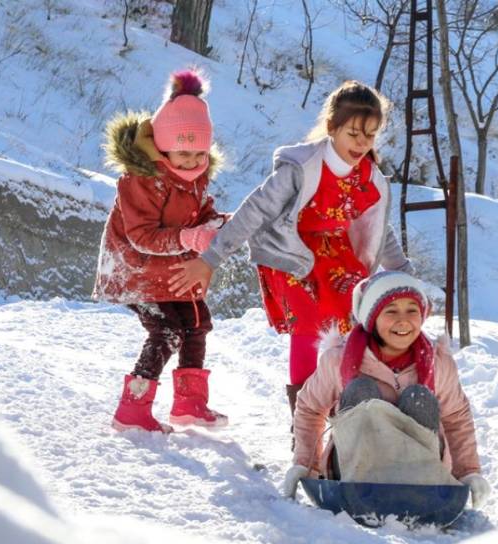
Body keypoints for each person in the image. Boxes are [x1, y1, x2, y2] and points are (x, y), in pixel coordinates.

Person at [166, 81, 413, 429]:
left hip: (339, 259)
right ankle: (305, 421)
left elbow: (379, 229)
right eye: (354, 133)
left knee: (353, 327)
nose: (361, 143)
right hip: (293, 254)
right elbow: (254, 210)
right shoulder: (301, 169)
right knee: (309, 326)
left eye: (370, 135)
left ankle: (348, 412)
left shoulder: (368, 178)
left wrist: (404, 274)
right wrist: (210, 259)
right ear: (332, 127)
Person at [279, 271, 492, 509]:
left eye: (412, 310)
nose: (403, 320)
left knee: (419, 398)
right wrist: (305, 465)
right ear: (372, 318)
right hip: (354, 473)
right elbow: (310, 408)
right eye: (391, 311)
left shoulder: (437, 362)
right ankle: (361, 485)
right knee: (361, 391)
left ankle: (417, 489)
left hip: (421, 476)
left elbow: (456, 418)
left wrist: (468, 472)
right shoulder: (338, 360)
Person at [94, 69, 229, 433]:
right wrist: (188, 239)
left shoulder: (194, 176)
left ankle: (189, 404)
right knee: (167, 329)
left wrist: (217, 223)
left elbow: (200, 213)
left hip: (169, 267)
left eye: (200, 153)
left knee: (196, 322)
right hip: (134, 268)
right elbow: (141, 235)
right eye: (183, 153)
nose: (192, 161)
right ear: (164, 147)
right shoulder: (142, 179)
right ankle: (132, 409)